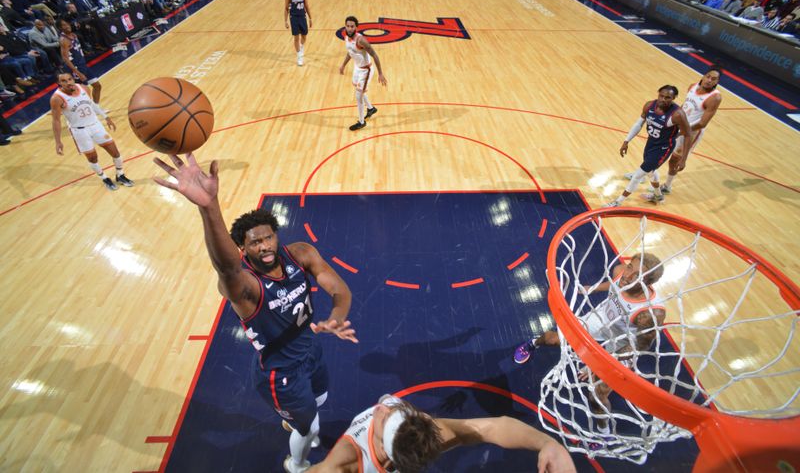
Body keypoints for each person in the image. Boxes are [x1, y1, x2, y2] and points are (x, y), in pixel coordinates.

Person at [152, 153, 358, 473]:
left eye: (267, 237)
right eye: (254, 243)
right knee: (311, 429)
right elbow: (225, 266)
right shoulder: (243, 286)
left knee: (319, 400)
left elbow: (339, 290)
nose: (263, 246)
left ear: (277, 235)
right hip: (280, 373)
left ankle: (297, 421)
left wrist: (337, 316)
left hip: (310, 350)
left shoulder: (300, 253)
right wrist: (209, 207)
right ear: (243, 250)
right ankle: (297, 463)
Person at [514, 253, 666, 431]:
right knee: (552, 338)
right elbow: (614, 284)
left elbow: (641, 345)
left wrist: (600, 363)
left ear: (648, 282)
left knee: (597, 395)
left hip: (624, 342)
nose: (628, 275)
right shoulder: (620, 271)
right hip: (601, 319)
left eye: (638, 275)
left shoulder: (650, 314)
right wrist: (592, 288)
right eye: (630, 267)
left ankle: (604, 431)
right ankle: (533, 344)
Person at [307, 394, 576, 473]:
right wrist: (546, 442)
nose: (382, 409)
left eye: (387, 418)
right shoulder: (338, 466)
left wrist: (548, 444)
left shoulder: (349, 464)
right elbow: (492, 427)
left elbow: (494, 427)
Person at [605, 85, 690, 207]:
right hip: (651, 143)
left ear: (674, 98)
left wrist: (684, 158)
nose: (663, 99)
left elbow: (688, 134)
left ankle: (618, 201)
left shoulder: (677, 114)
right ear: (658, 94)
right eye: (661, 96)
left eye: (668, 97)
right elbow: (639, 123)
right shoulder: (649, 105)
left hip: (663, 148)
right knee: (650, 171)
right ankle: (658, 195)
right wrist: (626, 141)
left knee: (638, 175)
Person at [50, 70, 134, 191]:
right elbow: (56, 121)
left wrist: (106, 117)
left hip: (96, 125)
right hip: (80, 131)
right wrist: (58, 141)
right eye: (64, 81)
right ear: (59, 83)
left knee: (115, 152)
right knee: (93, 158)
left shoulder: (84, 88)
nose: (68, 82)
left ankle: (120, 175)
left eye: (69, 79)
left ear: (73, 79)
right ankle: (104, 178)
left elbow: (92, 104)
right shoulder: (57, 98)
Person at [658, 68, 722, 196]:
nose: (709, 80)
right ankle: (644, 173)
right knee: (658, 150)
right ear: (703, 76)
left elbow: (702, 123)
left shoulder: (715, 98)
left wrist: (682, 130)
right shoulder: (692, 86)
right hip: (679, 126)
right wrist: (672, 118)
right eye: (708, 76)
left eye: (713, 79)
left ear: (717, 82)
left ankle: (667, 186)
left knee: (674, 160)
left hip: (691, 132)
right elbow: (685, 106)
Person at [339, 16, 387, 131]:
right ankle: (370, 109)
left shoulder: (361, 40)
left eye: (352, 26)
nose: (349, 28)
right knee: (358, 89)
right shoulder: (346, 37)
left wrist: (380, 73)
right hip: (357, 68)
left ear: (356, 27)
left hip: (366, 70)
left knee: (358, 95)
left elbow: (374, 54)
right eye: (348, 26)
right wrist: (343, 65)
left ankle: (361, 122)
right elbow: (350, 52)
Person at [58, 18, 103, 105]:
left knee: (97, 86)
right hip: (75, 68)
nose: (67, 26)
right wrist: (77, 72)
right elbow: (65, 58)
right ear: (60, 28)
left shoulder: (73, 35)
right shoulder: (64, 40)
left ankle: (96, 108)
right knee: (81, 94)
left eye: (67, 24)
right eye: (63, 25)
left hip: (83, 65)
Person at [285, 0, 313, 67]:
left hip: (302, 16)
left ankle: (301, 47)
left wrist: (310, 18)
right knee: (296, 37)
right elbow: (286, 8)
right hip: (293, 17)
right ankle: (299, 56)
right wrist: (285, 20)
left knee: (304, 36)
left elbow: (307, 5)